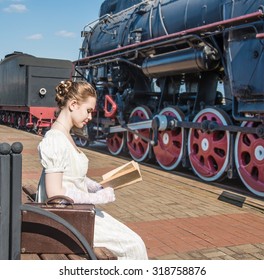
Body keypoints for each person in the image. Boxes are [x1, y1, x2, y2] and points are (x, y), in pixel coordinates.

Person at [36, 80, 148, 260]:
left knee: (134, 242)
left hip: (76, 212)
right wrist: (97, 198)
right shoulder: (55, 139)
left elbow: (71, 174)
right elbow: (55, 193)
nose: (90, 117)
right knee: (134, 246)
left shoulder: (64, 134)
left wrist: (94, 186)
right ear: (73, 104)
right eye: (88, 110)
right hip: (66, 217)